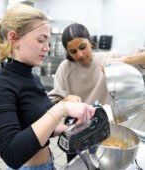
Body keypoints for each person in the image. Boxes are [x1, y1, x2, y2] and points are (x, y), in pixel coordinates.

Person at [0, 5, 95, 170]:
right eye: (41, 40)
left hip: (48, 164)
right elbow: (11, 154)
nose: (47, 47)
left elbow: (35, 125)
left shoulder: (32, 78)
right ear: (14, 38)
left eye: (47, 41)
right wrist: (61, 108)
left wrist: (68, 130)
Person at [48, 23, 145, 162]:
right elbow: (52, 101)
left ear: (90, 41)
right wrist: (65, 99)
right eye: (73, 51)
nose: (80, 55)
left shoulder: (109, 59)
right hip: (76, 133)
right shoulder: (65, 68)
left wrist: (125, 61)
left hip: (104, 132)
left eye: (83, 47)